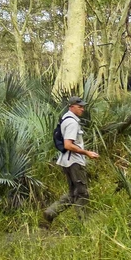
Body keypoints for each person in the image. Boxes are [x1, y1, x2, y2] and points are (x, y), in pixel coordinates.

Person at [41, 96, 99, 227]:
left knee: (73, 194)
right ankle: (85, 223)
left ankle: (50, 213)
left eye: (83, 106)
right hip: (74, 162)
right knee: (82, 193)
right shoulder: (72, 122)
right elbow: (68, 145)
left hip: (67, 161)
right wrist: (87, 153)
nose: (82, 109)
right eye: (80, 107)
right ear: (71, 107)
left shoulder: (66, 118)